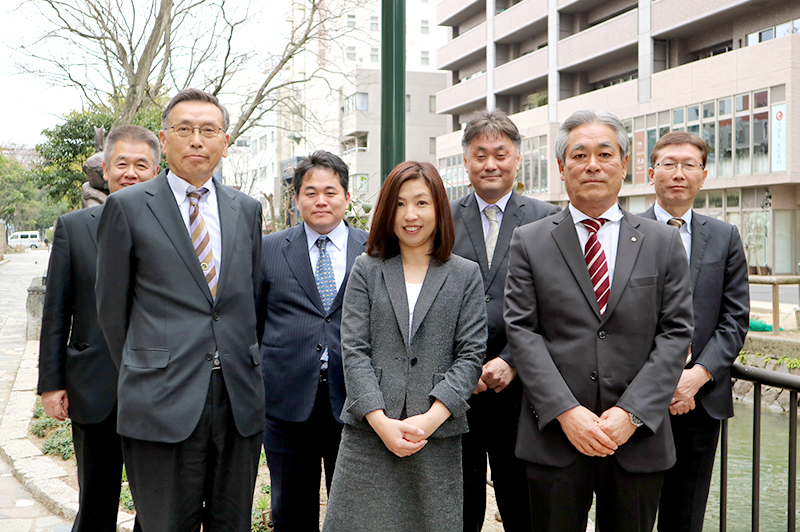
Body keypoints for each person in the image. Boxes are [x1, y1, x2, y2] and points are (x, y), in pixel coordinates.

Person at [504, 109, 694, 532]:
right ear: (561, 168)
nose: (592, 164)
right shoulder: (531, 241)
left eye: (605, 153)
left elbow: (676, 333)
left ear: (624, 165)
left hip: (637, 437)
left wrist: (631, 413)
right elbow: (522, 331)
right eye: (579, 155)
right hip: (554, 436)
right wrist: (566, 412)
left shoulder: (662, 242)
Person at [95, 88, 264, 532]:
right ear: (163, 138)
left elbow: (248, 299)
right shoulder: (127, 207)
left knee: (233, 523)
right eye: (184, 129)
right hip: (160, 400)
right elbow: (112, 311)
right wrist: (146, 366)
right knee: (166, 524)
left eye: (208, 130)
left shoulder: (246, 209)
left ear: (224, 142)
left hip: (236, 399)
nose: (196, 140)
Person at [322, 161, 486, 532]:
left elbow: (471, 356)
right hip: (369, 434)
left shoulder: (464, 274)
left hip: (435, 435)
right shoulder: (367, 268)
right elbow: (354, 350)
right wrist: (380, 422)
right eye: (399, 204)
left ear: (438, 208)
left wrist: (429, 421)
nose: (410, 215)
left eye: (421, 203)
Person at [38, 124, 159, 532]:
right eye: (121, 163)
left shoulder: (173, 231)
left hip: (158, 387)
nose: (131, 173)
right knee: (95, 504)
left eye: (141, 165)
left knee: (159, 506)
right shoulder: (73, 227)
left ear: (156, 172)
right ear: (104, 169)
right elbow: (56, 311)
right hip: (93, 387)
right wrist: (51, 383)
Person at [451, 108, 559, 531]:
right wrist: (465, 365)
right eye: (480, 155)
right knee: (459, 506)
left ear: (517, 158)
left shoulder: (548, 219)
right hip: (453, 387)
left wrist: (512, 359)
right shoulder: (439, 215)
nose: (490, 164)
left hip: (525, 391)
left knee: (524, 506)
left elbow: (559, 302)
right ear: (466, 161)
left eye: (500, 153)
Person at [639, 131, 749, 532]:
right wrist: (663, 381)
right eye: (668, 164)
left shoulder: (725, 236)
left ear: (703, 175)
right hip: (634, 398)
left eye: (689, 165)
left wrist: (694, 378)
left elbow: (735, 319)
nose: (678, 174)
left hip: (700, 401)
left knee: (685, 517)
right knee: (630, 513)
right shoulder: (624, 232)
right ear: (651, 173)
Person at [258, 150, 368, 531]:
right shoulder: (269, 249)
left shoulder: (374, 249)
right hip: (287, 402)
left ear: (346, 197)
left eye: (330, 192)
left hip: (355, 403)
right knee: (290, 510)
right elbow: (254, 323)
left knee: (354, 510)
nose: (321, 201)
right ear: (296, 198)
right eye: (310, 192)